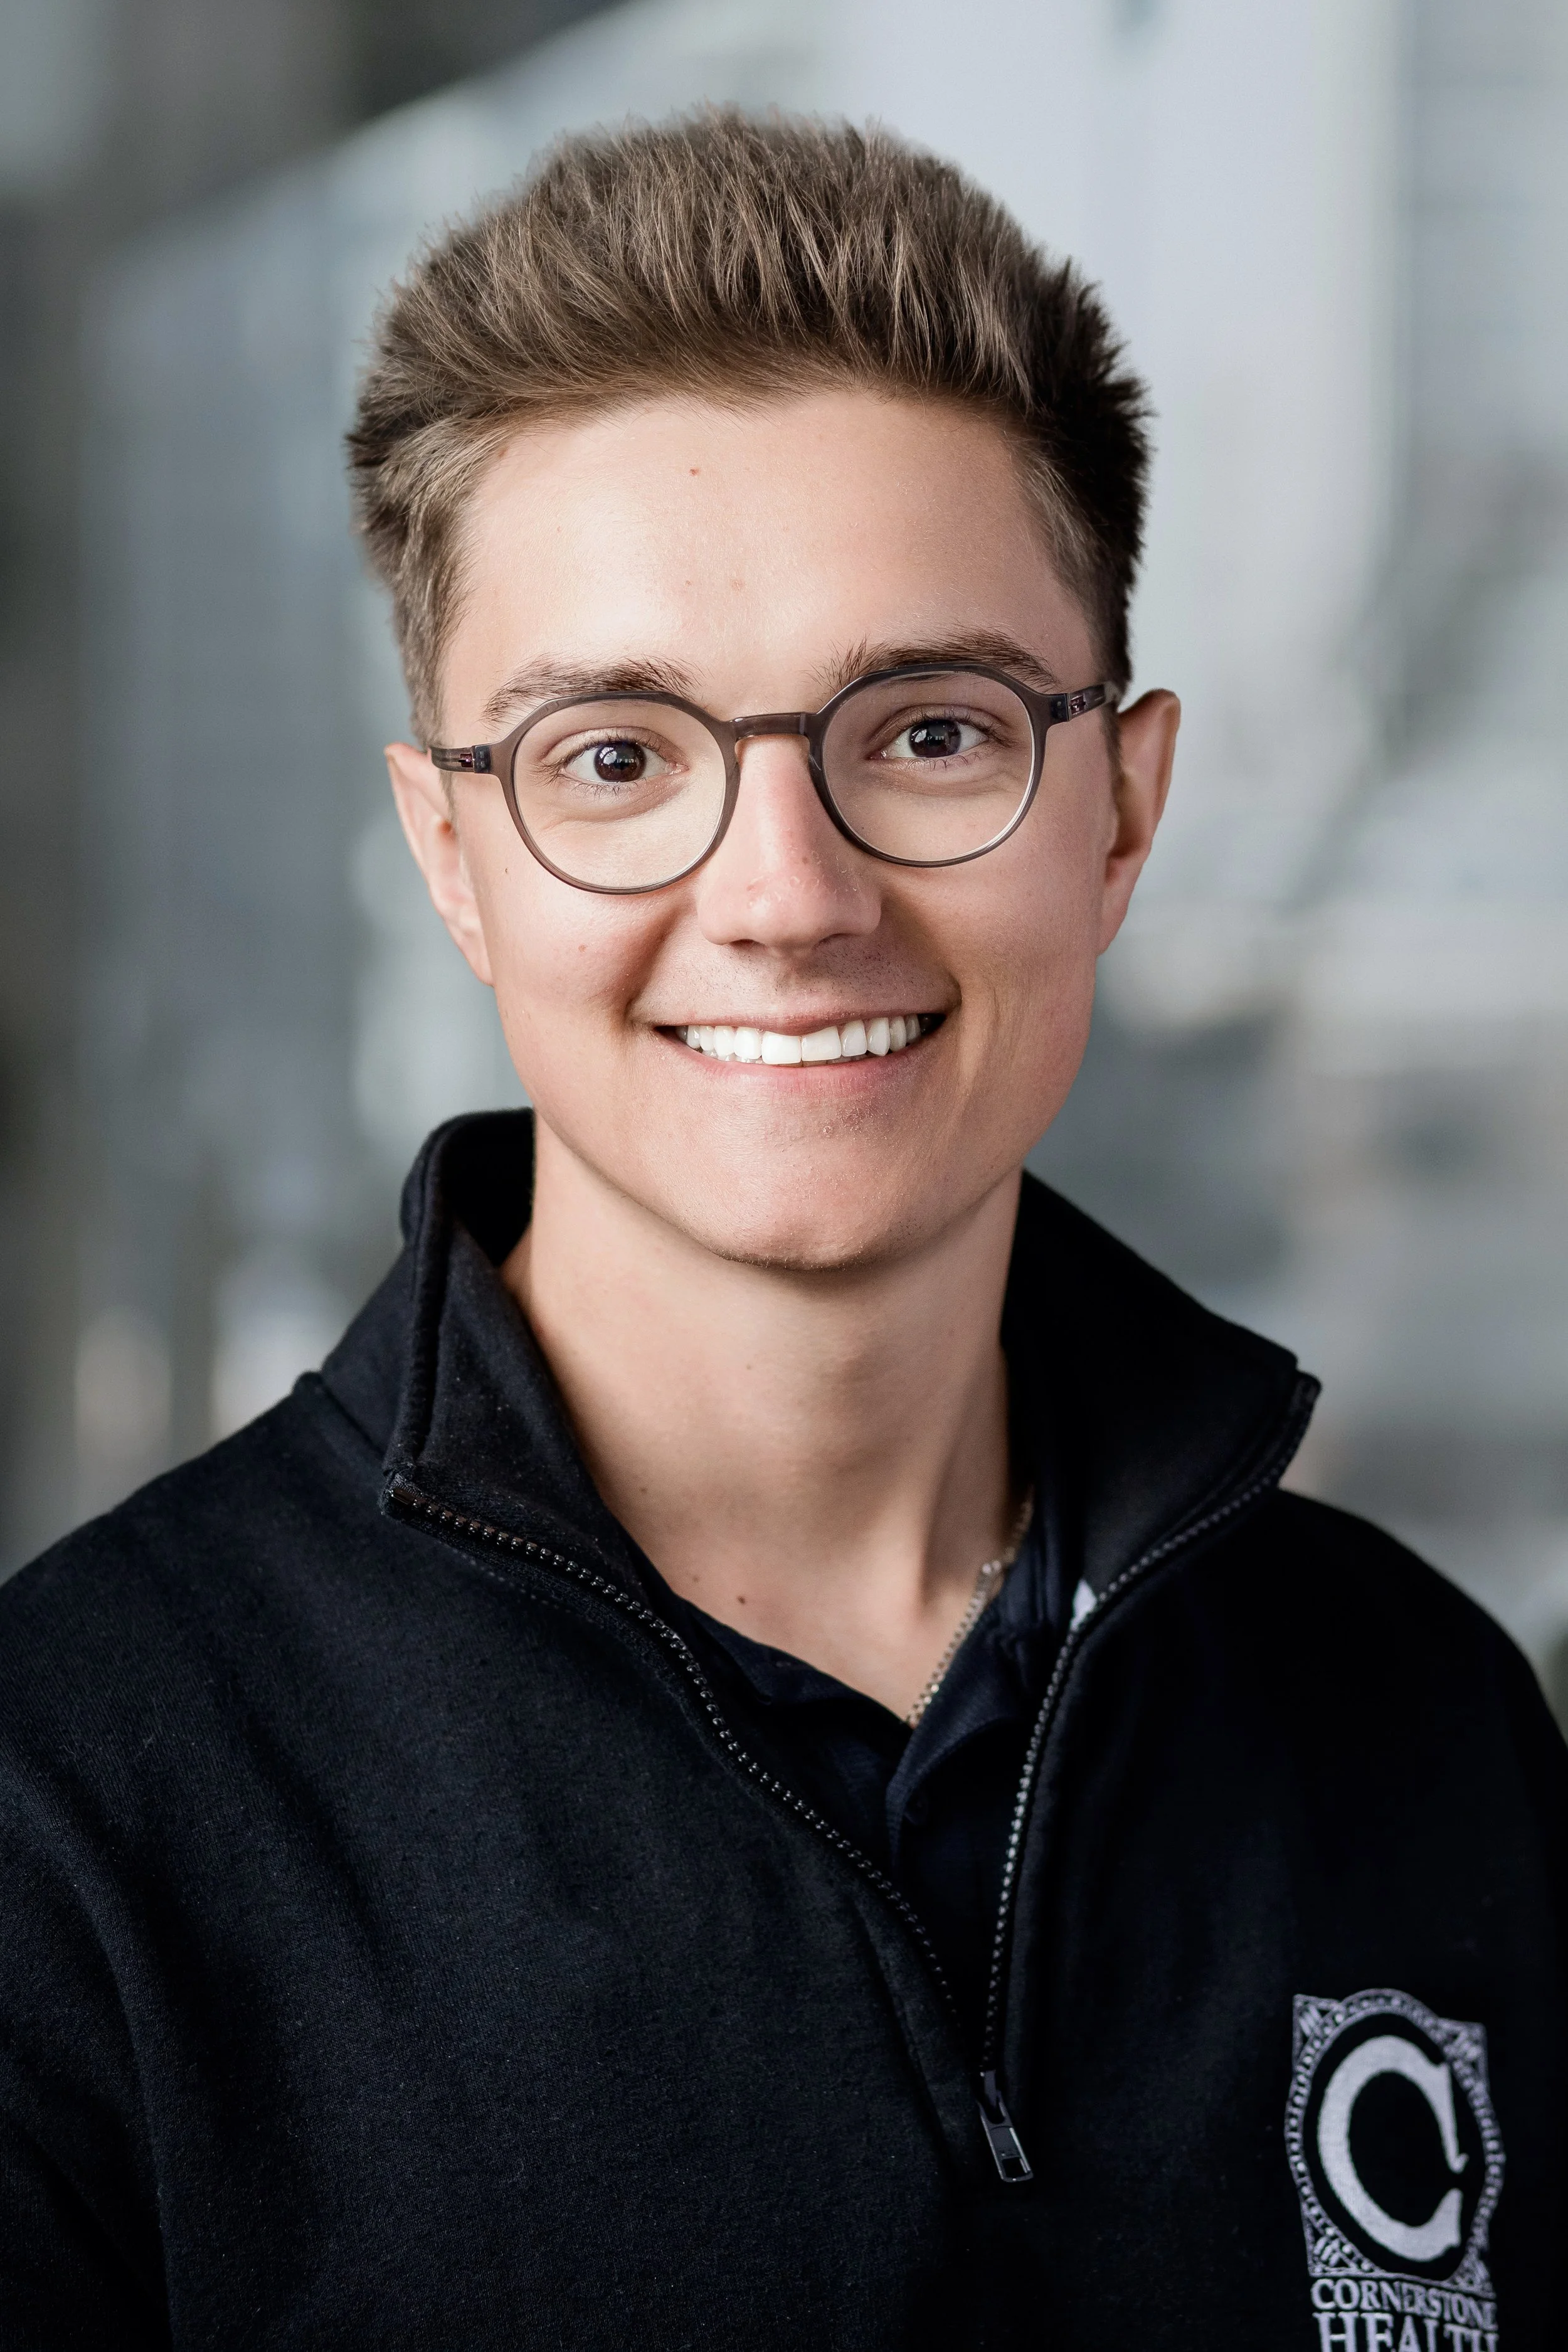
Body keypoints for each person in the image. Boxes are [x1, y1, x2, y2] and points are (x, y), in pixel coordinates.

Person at [1, 111, 1563, 2352]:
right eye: (616, 759)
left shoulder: (1414, 1722)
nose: (789, 897)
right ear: (450, 854)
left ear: (1119, 810)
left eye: (925, 731)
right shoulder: (74, 1816)